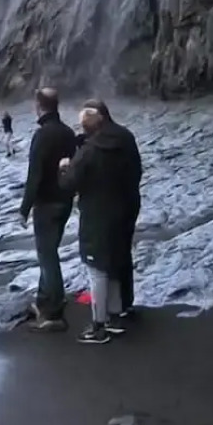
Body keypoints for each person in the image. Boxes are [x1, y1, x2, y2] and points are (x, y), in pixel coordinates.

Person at [59, 102, 142, 344]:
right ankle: (116, 317)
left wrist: (63, 168)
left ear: (87, 127)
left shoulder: (89, 151)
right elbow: (137, 171)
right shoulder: (125, 137)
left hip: (96, 214)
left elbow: (69, 185)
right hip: (124, 209)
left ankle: (99, 325)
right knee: (115, 262)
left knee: (96, 269)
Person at [20, 87, 77, 332]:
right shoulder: (68, 133)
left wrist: (24, 208)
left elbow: (35, 175)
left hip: (46, 203)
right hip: (64, 201)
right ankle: (44, 301)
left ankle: (54, 311)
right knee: (49, 251)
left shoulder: (42, 135)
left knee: (47, 255)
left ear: (39, 106)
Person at [83, 98, 141, 318]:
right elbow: (136, 169)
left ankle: (105, 315)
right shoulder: (125, 136)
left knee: (103, 258)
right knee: (123, 251)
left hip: (105, 206)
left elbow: (82, 176)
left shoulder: (96, 144)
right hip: (128, 202)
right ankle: (125, 303)